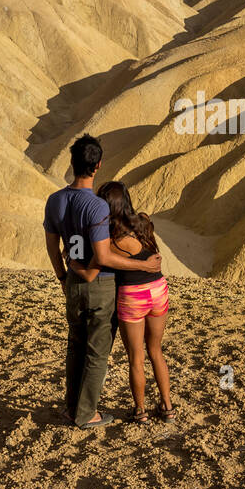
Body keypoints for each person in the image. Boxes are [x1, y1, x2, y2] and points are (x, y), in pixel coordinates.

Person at [43, 135, 160, 428]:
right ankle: (86, 414)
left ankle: (72, 408)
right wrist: (141, 264)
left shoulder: (55, 201)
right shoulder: (97, 206)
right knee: (97, 353)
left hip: (71, 281)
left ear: (72, 163)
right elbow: (103, 256)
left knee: (75, 346)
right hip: (101, 286)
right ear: (97, 166)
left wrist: (62, 276)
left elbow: (52, 246)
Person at [68, 181, 175, 424]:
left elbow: (92, 270)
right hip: (158, 289)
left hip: (133, 295)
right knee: (156, 351)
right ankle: (167, 407)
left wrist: (72, 262)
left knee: (136, 357)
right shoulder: (145, 221)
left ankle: (140, 411)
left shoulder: (110, 239)